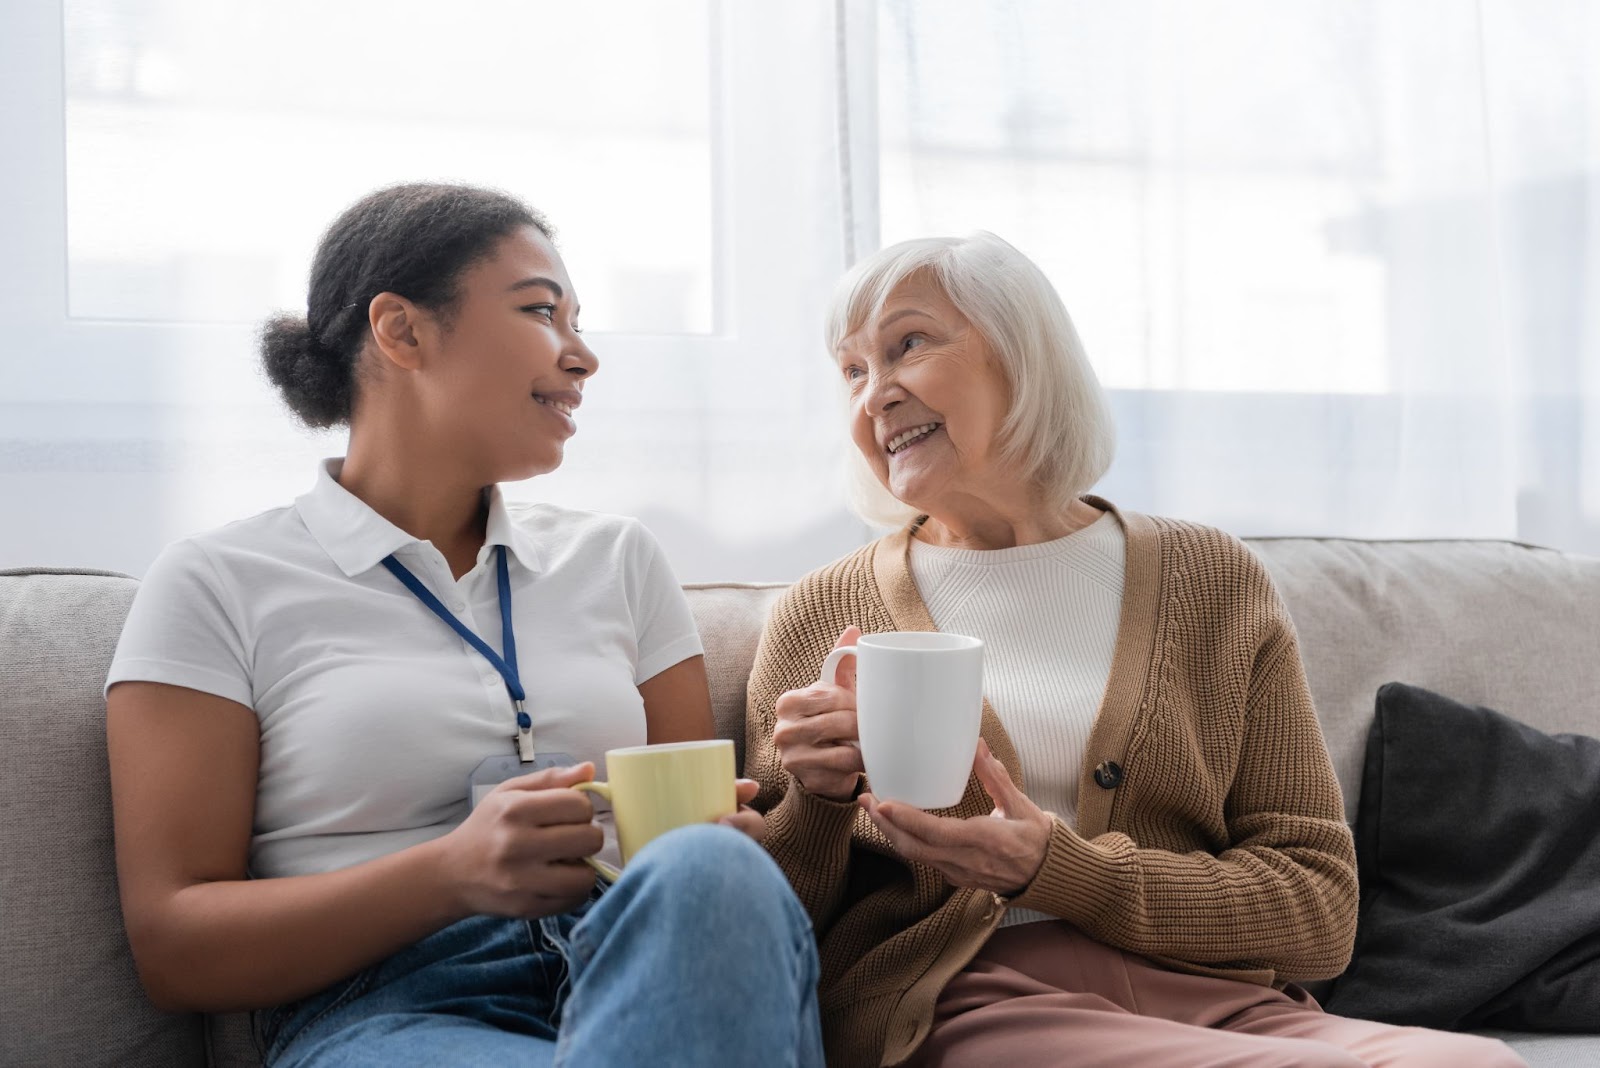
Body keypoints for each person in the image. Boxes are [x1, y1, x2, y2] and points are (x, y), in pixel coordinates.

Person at [745, 232, 1525, 1067]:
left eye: (908, 345)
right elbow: (763, 934)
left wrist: (1063, 869)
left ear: (1024, 355)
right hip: (969, 1000)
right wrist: (817, 806)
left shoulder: (1211, 580)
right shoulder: (826, 614)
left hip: (1220, 1000)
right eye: (852, 371)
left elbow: (1320, 911)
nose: (875, 397)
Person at [106, 182, 822, 1068]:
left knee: (712, 875)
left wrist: (723, 861)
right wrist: (447, 874)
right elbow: (176, 948)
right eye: (541, 311)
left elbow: (690, 841)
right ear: (402, 331)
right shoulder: (217, 583)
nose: (584, 356)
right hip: (397, 1010)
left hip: (648, 971)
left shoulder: (619, 562)